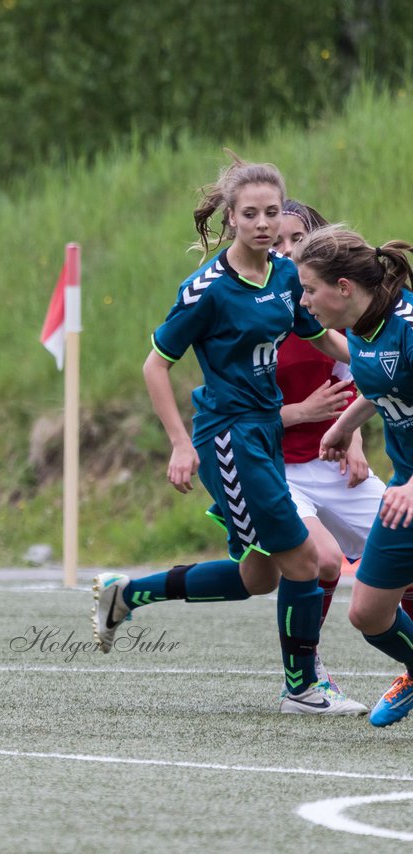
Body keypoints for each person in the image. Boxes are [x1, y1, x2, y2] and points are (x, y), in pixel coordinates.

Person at [91, 152, 361, 715]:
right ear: (230, 219)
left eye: (271, 213)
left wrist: (371, 361)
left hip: (262, 434)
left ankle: (127, 594)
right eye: (250, 214)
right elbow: (155, 364)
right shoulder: (207, 289)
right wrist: (180, 443)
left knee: (256, 577)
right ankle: (303, 689)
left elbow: (320, 338)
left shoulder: (288, 275)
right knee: (307, 562)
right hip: (229, 442)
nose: (263, 224)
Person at [270, 199, 385, 711]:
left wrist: (353, 441)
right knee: (319, 562)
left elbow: (356, 381)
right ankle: (305, 678)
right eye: (278, 243)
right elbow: (232, 417)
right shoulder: (253, 316)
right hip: (273, 469)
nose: (287, 251)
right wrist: (299, 412)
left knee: (399, 546)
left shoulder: (330, 316)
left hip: (328, 462)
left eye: (299, 241)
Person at [297, 225, 413, 727]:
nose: (304, 301)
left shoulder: (407, 325)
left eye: (309, 289)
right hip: (405, 490)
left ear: (343, 287)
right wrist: (344, 426)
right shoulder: (363, 331)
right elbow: (383, 384)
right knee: (368, 613)